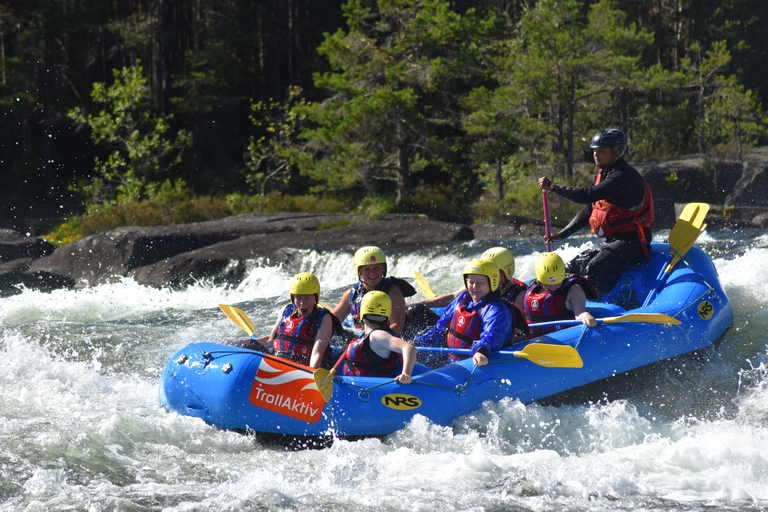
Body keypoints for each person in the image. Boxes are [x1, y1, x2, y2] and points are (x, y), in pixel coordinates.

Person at [537, 128, 654, 298]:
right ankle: (560, 305)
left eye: (602, 151)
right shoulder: (603, 174)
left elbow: (587, 195)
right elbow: (590, 209)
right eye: (595, 151)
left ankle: (594, 309)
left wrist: (554, 187)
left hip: (634, 243)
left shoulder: (624, 175)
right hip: (615, 241)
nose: (596, 155)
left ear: (616, 153)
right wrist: (562, 234)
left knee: (594, 268)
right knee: (573, 266)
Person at [415, 259, 526, 368]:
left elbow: (493, 334)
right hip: (451, 361)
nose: (474, 287)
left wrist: (481, 350)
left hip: (476, 362)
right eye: (471, 282)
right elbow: (439, 329)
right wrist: (417, 344)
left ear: (492, 282)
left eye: (480, 283)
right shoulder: (462, 300)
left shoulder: (497, 308)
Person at [332, 246, 416, 337]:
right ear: (359, 271)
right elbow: (332, 321)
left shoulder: (392, 292)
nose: (372, 273)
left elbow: (397, 327)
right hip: (366, 337)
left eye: (377, 268)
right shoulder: (351, 295)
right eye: (367, 269)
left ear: (383, 268)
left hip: (388, 339)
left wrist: (370, 342)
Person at [342, 290, 417, 383]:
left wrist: (406, 373)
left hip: (370, 389)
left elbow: (409, 348)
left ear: (361, 312)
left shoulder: (377, 336)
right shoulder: (367, 335)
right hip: (358, 385)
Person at [525, 252, 598, 336]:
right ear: (539, 281)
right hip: (534, 337)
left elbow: (580, 314)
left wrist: (585, 315)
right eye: (547, 284)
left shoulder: (574, 290)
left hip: (563, 337)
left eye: (557, 283)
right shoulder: (532, 289)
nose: (552, 287)